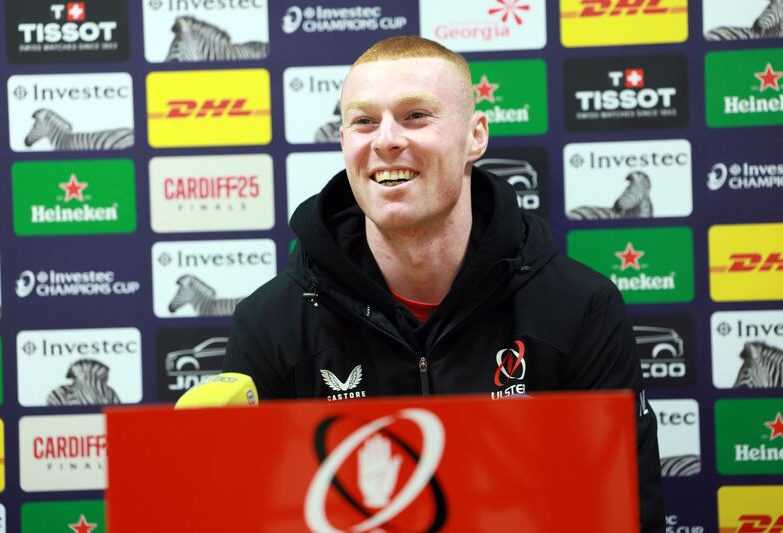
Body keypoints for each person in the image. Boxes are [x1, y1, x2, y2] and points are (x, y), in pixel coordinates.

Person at [224, 35, 664, 531]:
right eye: (364, 121)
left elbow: (622, 511)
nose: (386, 140)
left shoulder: (581, 307)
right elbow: (251, 514)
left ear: (476, 136)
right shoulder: (271, 322)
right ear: (344, 139)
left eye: (415, 116)